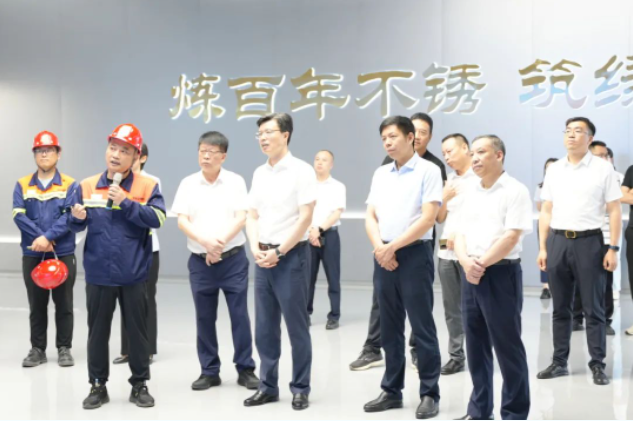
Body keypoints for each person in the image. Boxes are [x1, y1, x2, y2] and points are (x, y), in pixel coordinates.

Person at [69, 124, 166, 409]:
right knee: (97, 333)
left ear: (136, 156)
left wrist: (126, 202)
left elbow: (158, 219)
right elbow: (73, 224)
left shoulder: (147, 186)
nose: (115, 154)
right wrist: (76, 218)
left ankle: (140, 384)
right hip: (99, 272)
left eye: (124, 150)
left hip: (133, 272)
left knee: (137, 332)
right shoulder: (86, 185)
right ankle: (98, 385)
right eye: (112, 148)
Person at [350, 112, 446, 372]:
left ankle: (429, 388)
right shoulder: (381, 172)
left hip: (414, 254)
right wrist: (381, 248)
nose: (388, 142)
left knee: (422, 324)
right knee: (389, 325)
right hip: (383, 254)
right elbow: (370, 216)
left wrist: (391, 248)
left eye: (393, 136)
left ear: (410, 137)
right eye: (384, 138)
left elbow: (428, 219)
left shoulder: (430, 169)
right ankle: (391, 387)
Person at [536, 117, 621, 386]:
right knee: (560, 308)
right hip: (558, 241)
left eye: (578, 131)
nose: (571, 135)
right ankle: (559, 362)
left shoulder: (603, 169)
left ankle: (597, 364)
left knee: (594, 308)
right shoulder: (555, 169)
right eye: (568, 131)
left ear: (590, 138)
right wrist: (543, 247)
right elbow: (546, 210)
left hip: (589, 243)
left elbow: (614, 210)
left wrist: (613, 248)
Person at [172, 131, 259, 391]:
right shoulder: (188, 183)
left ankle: (245, 369)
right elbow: (182, 221)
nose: (206, 156)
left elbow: (241, 217)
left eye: (211, 152)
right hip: (200, 262)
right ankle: (209, 371)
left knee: (240, 316)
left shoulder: (235, 181)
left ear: (223, 156)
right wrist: (206, 244)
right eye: (202, 151)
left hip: (232, 260)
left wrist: (218, 244)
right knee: (204, 318)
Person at [454, 135, 532, 420]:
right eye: (472, 153)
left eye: (481, 152)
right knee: (475, 347)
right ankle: (479, 410)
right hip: (470, 273)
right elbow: (458, 233)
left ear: (499, 155)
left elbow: (511, 237)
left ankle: (514, 414)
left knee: (507, 347)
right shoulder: (469, 190)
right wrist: (466, 262)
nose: (474, 158)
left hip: (500, 274)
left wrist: (481, 264)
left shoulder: (515, 190)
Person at [244, 113, 316, 411]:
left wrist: (280, 252)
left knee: (297, 327)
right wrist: (254, 247)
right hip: (263, 257)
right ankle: (268, 386)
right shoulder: (259, 173)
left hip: (291, 257)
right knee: (265, 328)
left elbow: (305, 217)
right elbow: (251, 215)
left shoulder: (302, 170)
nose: (262, 138)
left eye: (268, 132)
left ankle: (300, 388)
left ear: (285, 135)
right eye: (259, 133)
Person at [12, 131, 78, 368]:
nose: (44, 154)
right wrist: (40, 239)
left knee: (64, 303)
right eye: (40, 150)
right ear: (34, 155)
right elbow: (18, 215)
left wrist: (48, 237)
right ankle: (37, 349)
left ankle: (64, 348)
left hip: (62, 252)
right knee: (36, 304)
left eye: (49, 150)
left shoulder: (70, 184)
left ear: (58, 154)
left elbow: (70, 216)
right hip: (33, 252)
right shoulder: (22, 184)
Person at [113, 142, 161, 364]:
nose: (123, 156)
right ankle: (127, 350)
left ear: (141, 158)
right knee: (125, 299)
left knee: (145, 299)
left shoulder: (151, 182)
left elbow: (151, 216)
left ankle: (147, 349)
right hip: (122, 249)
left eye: (130, 153)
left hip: (146, 249)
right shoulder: (115, 180)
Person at [435, 133, 477, 375]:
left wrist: (461, 237)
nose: (447, 157)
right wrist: (443, 198)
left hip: (470, 252)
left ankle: (478, 353)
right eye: (444, 154)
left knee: (473, 307)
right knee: (451, 308)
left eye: (450, 151)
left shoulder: (479, 178)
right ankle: (456, 356)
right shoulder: (449, 180)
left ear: (465, 148)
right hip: (445, 251)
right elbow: (440, 218)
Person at [572, 141, 618, 336]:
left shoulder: (615, 176)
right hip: (583, 237)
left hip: (607, 238)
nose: (604, 159)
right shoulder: (579, 176)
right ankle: (576, 317)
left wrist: (613, 247)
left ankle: (605, 320)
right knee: (578, 280)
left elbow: (616, 205)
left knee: (604, 282)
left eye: (606, 155)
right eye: (600, 155)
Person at [307, 150, 346, 330]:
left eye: (324, 160)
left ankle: (334, 316)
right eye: (317, 159)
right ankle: (305, 313)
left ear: (331, 165)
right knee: (307, 278)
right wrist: (311, 231)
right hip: (308, 236)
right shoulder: (306, 185)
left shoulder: (338, 186)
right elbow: (302, 211)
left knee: (333, 277)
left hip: (329, 236)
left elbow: (337, 212)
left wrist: (319, 230)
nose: (319, 162)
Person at [534, 158, 558, 299]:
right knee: (544, 253)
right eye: (547, 167)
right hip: (545, 223)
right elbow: (540, 207)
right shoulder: (540, 187)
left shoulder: (565, 184)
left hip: (561, 224)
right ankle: (546, 287)